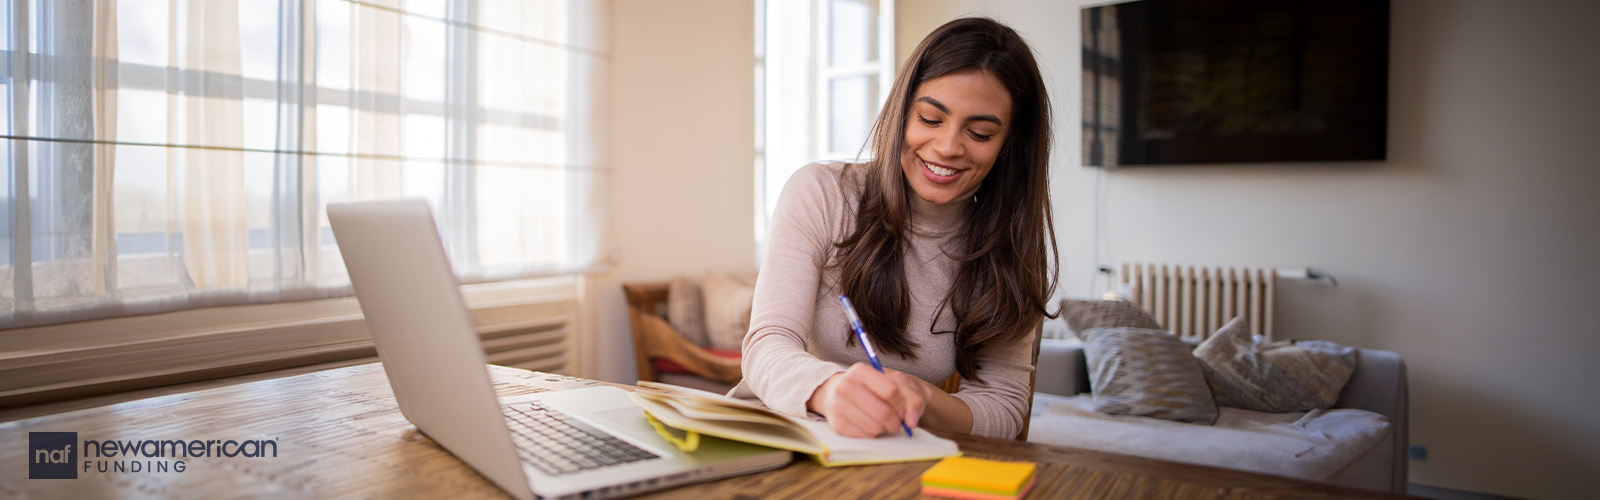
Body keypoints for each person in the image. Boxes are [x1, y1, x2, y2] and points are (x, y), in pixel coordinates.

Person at [731, 17, 1058, 440]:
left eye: (979, 132)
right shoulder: (822, 193)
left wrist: (922, 399)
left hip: (889, 455)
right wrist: (829, 390)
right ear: (901, 111)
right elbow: (767, 345)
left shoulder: (1009, 247)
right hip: (775, 434)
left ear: (1010, 144)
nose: (947, 147)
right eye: (930, 118)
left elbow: (1005, 408)